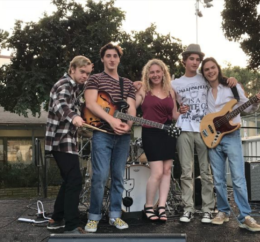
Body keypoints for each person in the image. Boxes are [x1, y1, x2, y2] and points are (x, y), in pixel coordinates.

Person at [172, 44, 237, 223]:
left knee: (206, 172)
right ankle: (188, 208)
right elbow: (169, 108)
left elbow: (221, 82)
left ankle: (208, 209)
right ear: (184, 60)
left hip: (204, 130)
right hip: (184, 128)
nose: (195, 62)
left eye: (197, 59)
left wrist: (231, 79)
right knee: (186, 172)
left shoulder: (205, 78)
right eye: (191, 59)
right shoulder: (174, 83)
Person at [200, 57, 260, 232]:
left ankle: (245, 216)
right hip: (213, 137)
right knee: (219, 179)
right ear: (204, 73)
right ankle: (222, 211)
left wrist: (256, 101)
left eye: (212, 68)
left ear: (218, 68)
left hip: (231, 135)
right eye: (206, 69)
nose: (210, 71)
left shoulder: (232, 86)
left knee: (237, 178)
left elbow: (247, 108)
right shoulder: (204, 90)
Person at [84, 43, 136, 232]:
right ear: (103, 59)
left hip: (122, 136)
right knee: (99, 176)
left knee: (118, 177)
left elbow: (131, 108)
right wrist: (111, 121)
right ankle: (94, 216)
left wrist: (127, 125)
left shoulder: (128, 83)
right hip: (102, 134)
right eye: (108, 55)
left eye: (115, 55)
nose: (112, 59)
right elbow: (90, 103)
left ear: (119, 59)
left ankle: (115, 215)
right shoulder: (95, 79)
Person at [45, 55, 93, 234]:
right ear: (72, 69)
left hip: (67, 141)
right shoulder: (63, 85)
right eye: (82, 72)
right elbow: (61, 105)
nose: (84, 76)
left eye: (87, 73)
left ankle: (56, 218)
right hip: (60, 140)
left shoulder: (76, 87)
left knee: (69, 180)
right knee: (74, 180)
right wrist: (74, 117)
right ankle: (72, 225)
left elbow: (88, 88)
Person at [135, 59, 180, 221]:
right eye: (152, 72)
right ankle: (148, 206)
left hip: (168, 132)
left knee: (167, 171)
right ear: (147, 74)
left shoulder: (170, 91)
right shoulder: (143, 91)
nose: (155, 75)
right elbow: (132, 107)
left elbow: (174, 115)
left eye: (158, 72)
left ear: (163, 73)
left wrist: (183, 111)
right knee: (157, 172)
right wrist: (130, 91)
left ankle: (161, 207)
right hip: (151, 133)